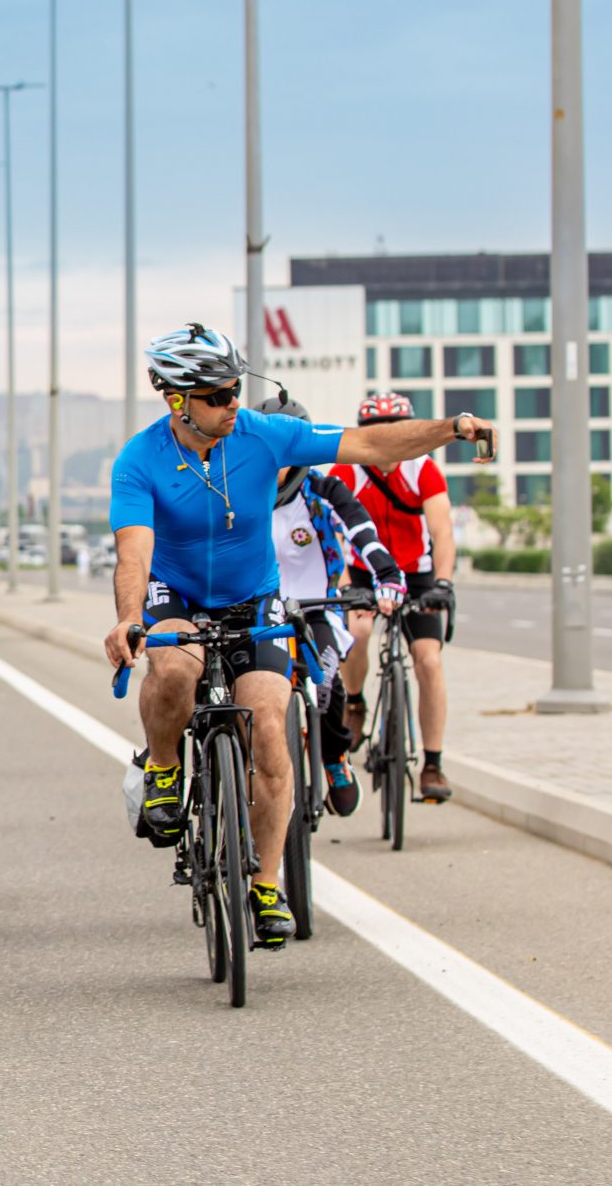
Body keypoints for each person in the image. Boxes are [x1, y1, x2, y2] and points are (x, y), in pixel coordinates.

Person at [107, 326, 495, 951]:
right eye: (218, 395)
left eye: (236, 390)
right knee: (174, 665)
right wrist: (129, 618)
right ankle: (164, 765)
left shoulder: (263, 435)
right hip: (174, 594)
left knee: (269, 727)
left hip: (254, 597)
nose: (234, 404)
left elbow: (370, 443)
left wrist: (450, 429)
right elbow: (134, 553)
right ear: (178, 400)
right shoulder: (139, 459)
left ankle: (266, 884)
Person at [255, 395, 403, 818]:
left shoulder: (324, 489)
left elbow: (361, 529)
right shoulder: (239, 490)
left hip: (316, 607)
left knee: (324, 680)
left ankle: (334, 756)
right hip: (257, 609)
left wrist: (386, 574)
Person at [322, 392, 462, 803]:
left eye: (396, 428)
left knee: (429, 660)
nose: (387, 436)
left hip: (416, 573)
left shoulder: (423, 469)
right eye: (376, 430)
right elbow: (332, 534)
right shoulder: (347, 471)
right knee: (358, 633)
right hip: (363, 570)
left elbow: (442, 533)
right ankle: (356, 702)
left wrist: (443, 582)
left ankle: (432, 762)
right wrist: (347, 583)